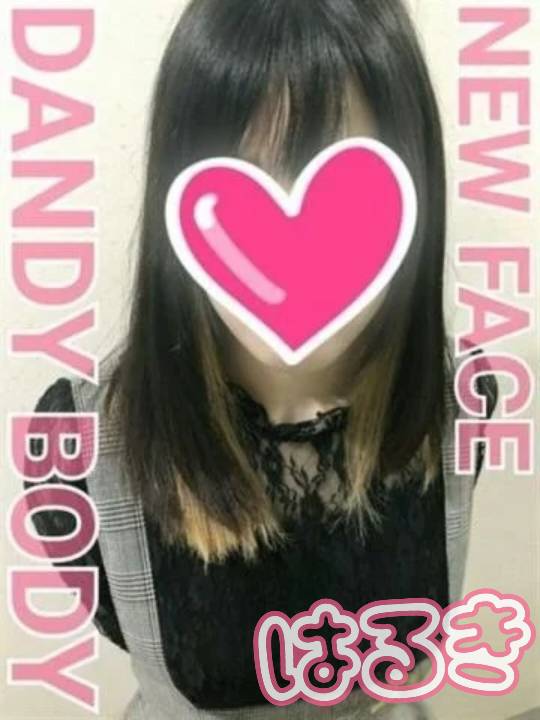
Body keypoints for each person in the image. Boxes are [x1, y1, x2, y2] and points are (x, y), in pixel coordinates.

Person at [24, 0, 498, 717]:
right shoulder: (79, 445)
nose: (295, 259)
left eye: (347, 195)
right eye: (245, 186)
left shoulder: (458, 398)